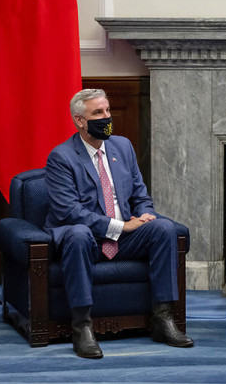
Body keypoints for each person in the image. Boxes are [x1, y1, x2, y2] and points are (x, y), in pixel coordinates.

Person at [44, 89, 193, 359]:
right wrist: (120, 226)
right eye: (98, 113)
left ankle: (162, 318)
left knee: (163, 228)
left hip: (124, 239)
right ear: (80, 120)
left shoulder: (122, 147)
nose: (107, 117)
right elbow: (69, 212)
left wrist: (145, 215)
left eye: (108, 111)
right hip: (88, 239)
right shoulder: (61, 157)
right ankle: (82, 327)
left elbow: (140, 195)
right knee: (76, 234)